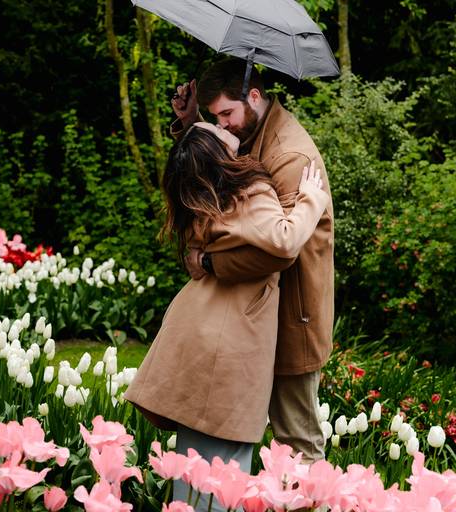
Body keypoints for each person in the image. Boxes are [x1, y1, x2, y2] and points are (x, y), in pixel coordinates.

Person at [124, 122, 330, 511]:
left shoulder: (205, 197)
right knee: (221, 470)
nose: (220, 124)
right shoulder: (247, 193)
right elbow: (285, 243)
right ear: (220, 152)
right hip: (229, 342)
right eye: (214, 127)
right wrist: (311, 200)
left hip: (201, 330)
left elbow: (199, 149)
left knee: (196, 465)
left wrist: (189, 123)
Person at [170, 59, 335, 464]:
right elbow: (220, 165)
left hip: (292, 314)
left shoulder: (289, 156)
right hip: (255, 314)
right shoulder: (248, 130)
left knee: (296, 440)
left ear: (254, 96)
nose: (222, 125)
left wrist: (209, 263)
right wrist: (193, 126)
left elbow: (277, 249)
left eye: (226, 114)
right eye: (215, 118)